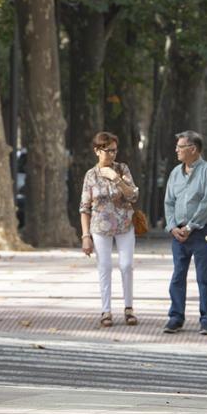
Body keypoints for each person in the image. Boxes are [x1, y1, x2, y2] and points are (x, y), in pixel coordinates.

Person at [79, 132, 140, 327]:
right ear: (97, 151)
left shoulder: (122, 169)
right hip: (100, 227)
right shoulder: (91, 175)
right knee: (104, 267)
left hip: (124, 225)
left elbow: (133, 196)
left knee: (126, 265)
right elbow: (84, 207)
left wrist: (116, 179)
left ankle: (129, 308)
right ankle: (106, 310)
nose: (113, 154)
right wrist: (85, 236)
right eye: (108, 150)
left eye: (115, 150)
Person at [163, 130, 207, 335]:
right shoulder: (175, 173)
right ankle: (176, 317)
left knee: (204, 276)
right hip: (178, 233)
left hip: (200, 231)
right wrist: (172, 227)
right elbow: (169, 202)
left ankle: (206, 319)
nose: (176, 150)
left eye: (180, 147)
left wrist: (190, 226)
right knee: (178, 275)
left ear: (193, 149)